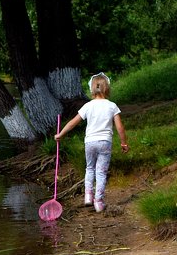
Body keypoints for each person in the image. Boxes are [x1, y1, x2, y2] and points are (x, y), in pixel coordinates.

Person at [54, 72, 128, 213]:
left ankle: (88, 196)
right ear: (107, 88)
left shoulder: (88, 106)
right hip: (105, 142)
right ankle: (98, 202)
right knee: (101, 172)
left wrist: (61, 134)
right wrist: (123, 143)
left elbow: (72, 123)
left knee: (90, 168)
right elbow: (120, 127)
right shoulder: (112, 106)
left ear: (92, 89)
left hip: (90, 142)